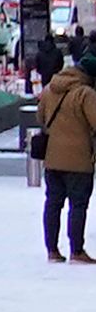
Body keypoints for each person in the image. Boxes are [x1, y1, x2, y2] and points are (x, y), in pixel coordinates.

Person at [39, 46, 96, 262]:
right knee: (78, 205)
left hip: (52, 158)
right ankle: (77, 250)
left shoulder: (49, 89)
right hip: (79, 160)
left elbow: (40, 118)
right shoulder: (85, 94)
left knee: (53, 203)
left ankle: (52, 250)